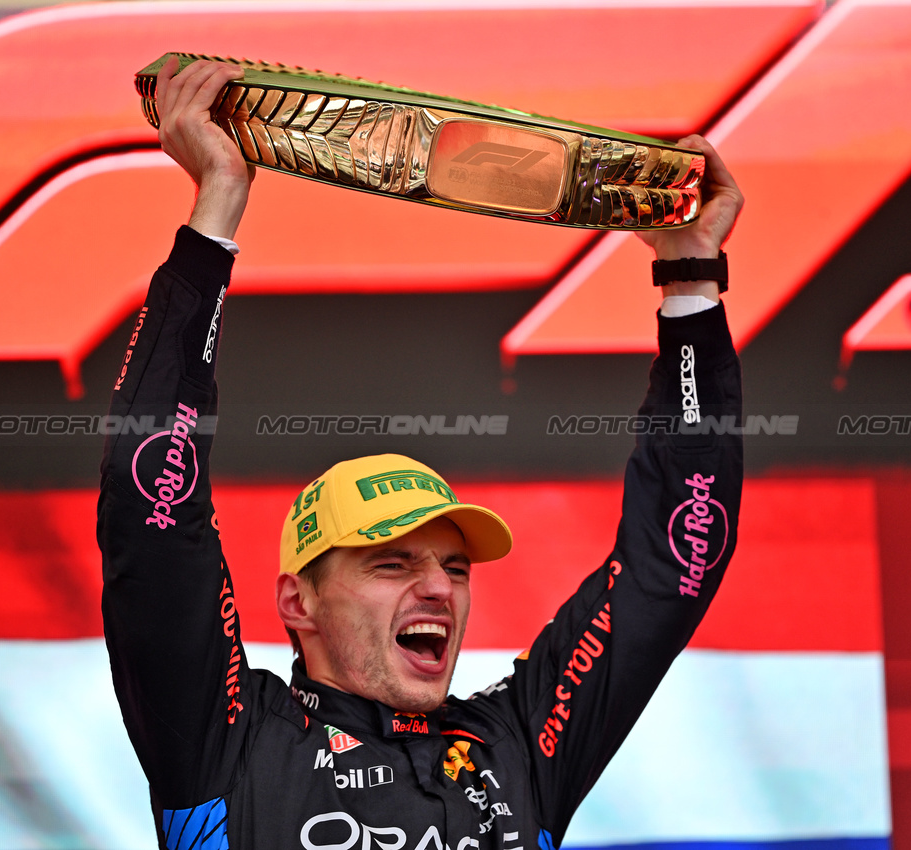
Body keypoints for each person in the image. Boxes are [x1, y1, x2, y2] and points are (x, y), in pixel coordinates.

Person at [98, 57, 744, 850]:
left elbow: (673, 563)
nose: (438, 587)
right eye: (391, 563)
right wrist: (215, 208)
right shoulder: (226, 741)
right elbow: (151, 515)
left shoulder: (517, 745)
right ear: (297, 602)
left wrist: (688, 283)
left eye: (455, 566)